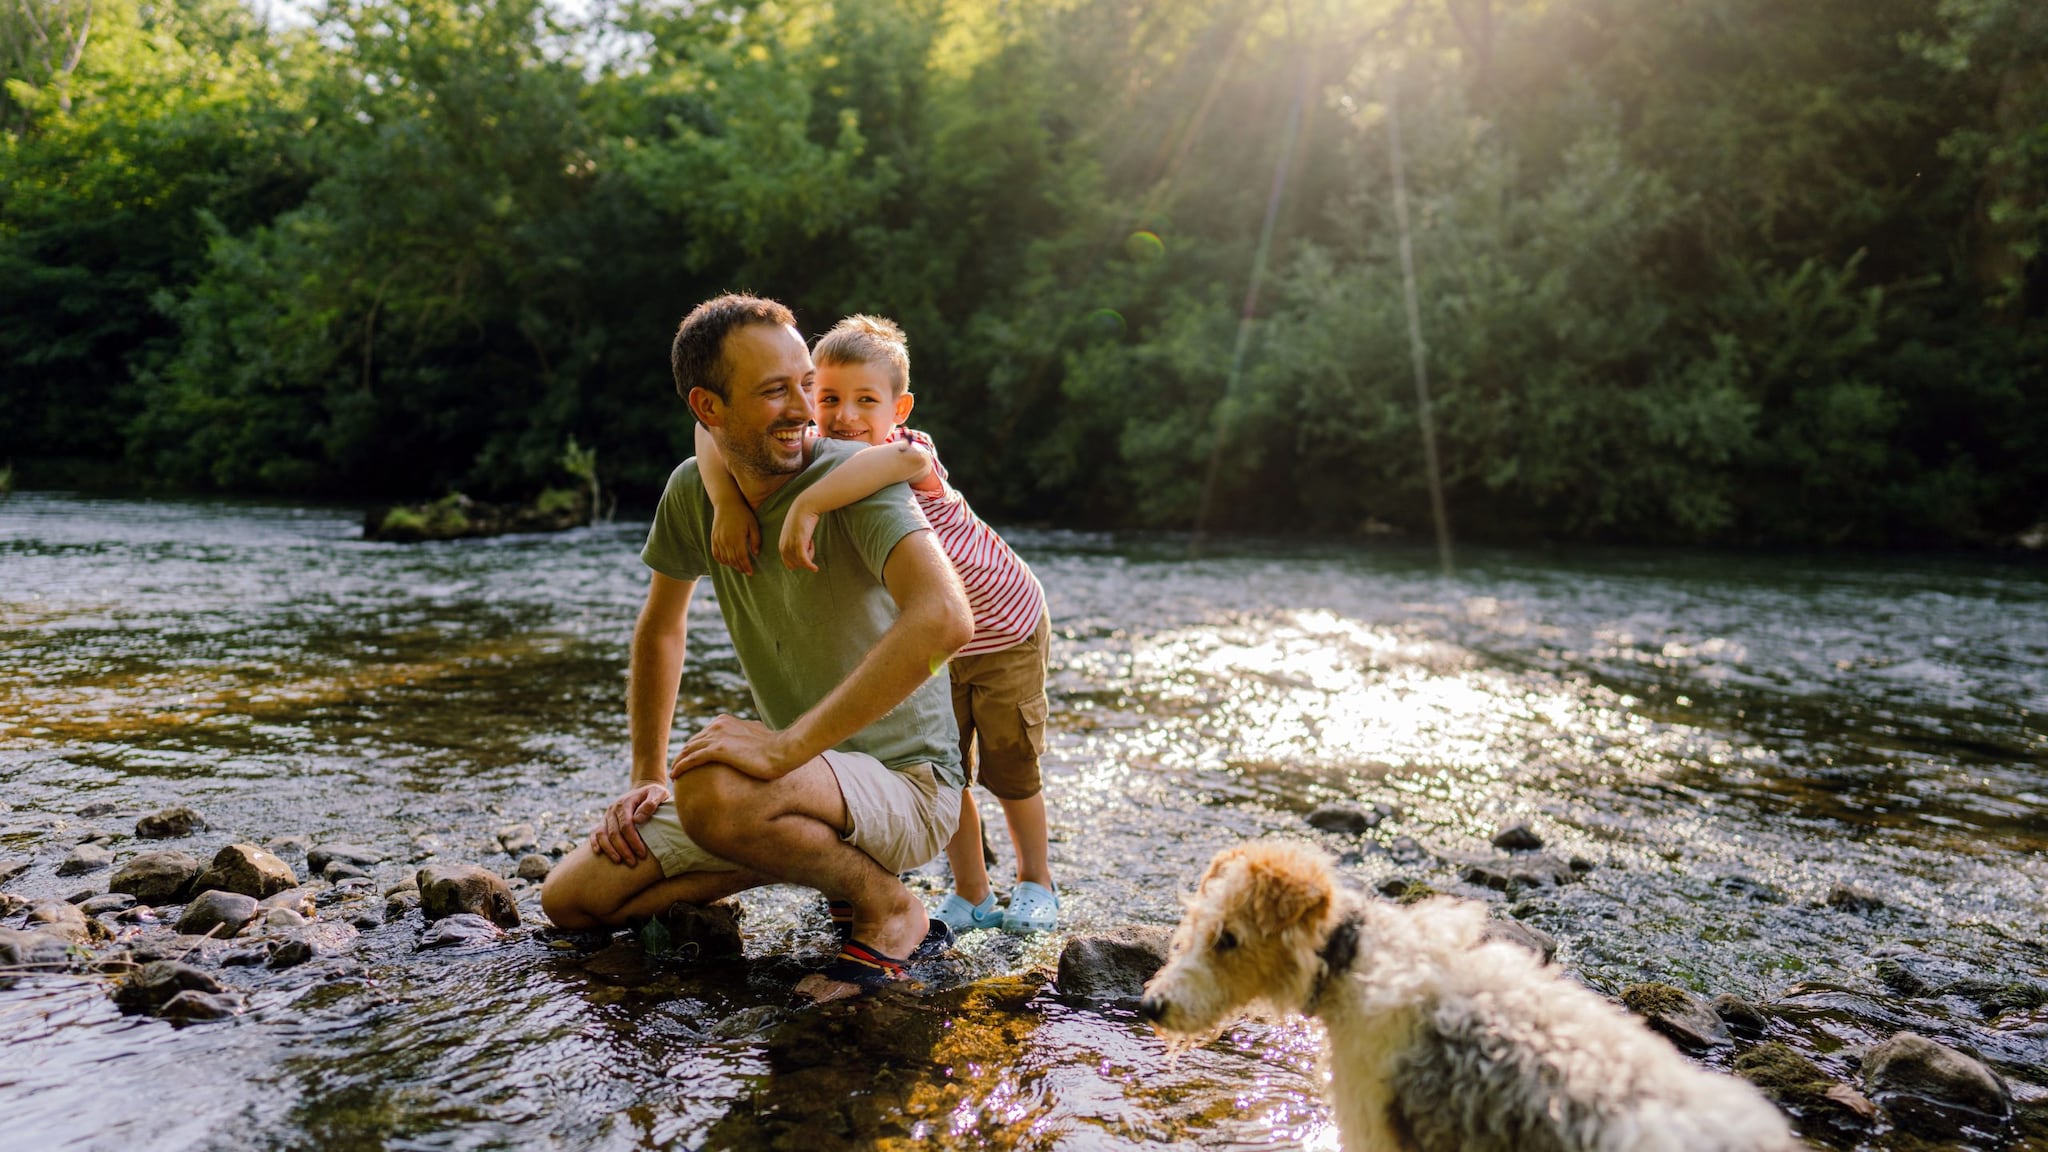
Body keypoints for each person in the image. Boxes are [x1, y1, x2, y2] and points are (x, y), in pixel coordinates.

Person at [539, 294, 974, 1002]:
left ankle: (891, 908)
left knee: (713, 785)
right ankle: (798, 853)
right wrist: (646, 774)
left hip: (911, 785)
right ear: (709, 410)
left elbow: (946, 621)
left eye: (808, 382)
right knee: (575, 899)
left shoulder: (853, 482)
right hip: (807, 787)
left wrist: (783, 748)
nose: (807, 408)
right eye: (777, 391)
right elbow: (661, 627)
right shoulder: (695, 492)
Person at [695, 315, 1058, 935]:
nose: (844, 416)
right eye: (827, 397)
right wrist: (726, 501)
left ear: (901, 407)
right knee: (950, 764)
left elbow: (871, 469)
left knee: (1009, 765)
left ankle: (1035, 882)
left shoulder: (907, 453)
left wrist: (807, 502)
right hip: (934, 640)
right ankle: (971, 893)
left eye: (867, 400)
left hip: (1003, 628)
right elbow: (710, 431)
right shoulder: (806, 442)